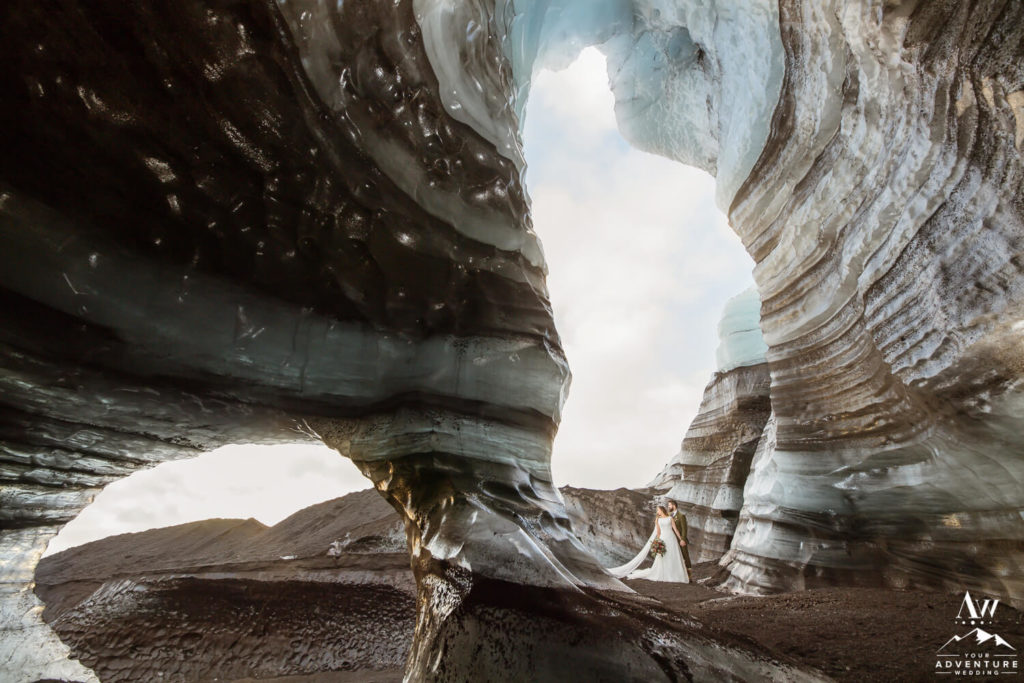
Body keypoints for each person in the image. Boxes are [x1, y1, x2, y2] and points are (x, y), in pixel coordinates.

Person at [607, 504, 690, 582]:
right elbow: (658, 532)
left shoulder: (670, 518)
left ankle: (675, 574)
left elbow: (675, 530)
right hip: (663, 538)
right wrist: (658, 541)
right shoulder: (658, 519)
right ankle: (664, 573)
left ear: (662, 510)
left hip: (671, 538)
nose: (657, 512)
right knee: (663, 556)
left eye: (658, 510)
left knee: (673, 555)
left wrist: (681, 539)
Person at [666, 500, 691, 570]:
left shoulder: (681, 516)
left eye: (669, 505)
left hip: (680, 540)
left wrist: (682, 540)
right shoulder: (668, 515)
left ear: (673, 506)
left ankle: (689, 575)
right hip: (671, 540)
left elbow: (684, 529)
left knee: (685, 556)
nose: (668, 507)